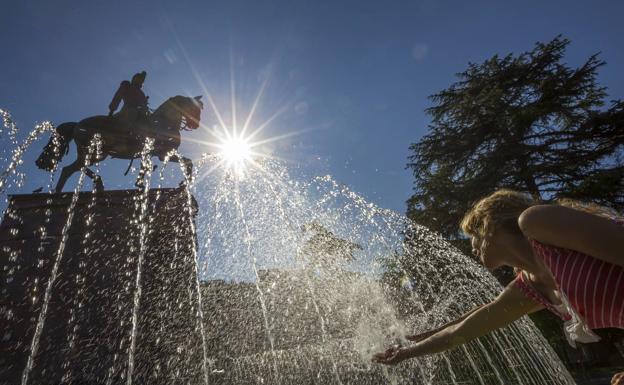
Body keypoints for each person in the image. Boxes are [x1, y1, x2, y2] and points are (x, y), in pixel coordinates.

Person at [373, 189, 624, 385]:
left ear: (489, 226)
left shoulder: (536, 222)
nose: (472, 246)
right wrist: (407, 352)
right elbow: (463, 329)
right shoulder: (529, 287)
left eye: (473, 234)